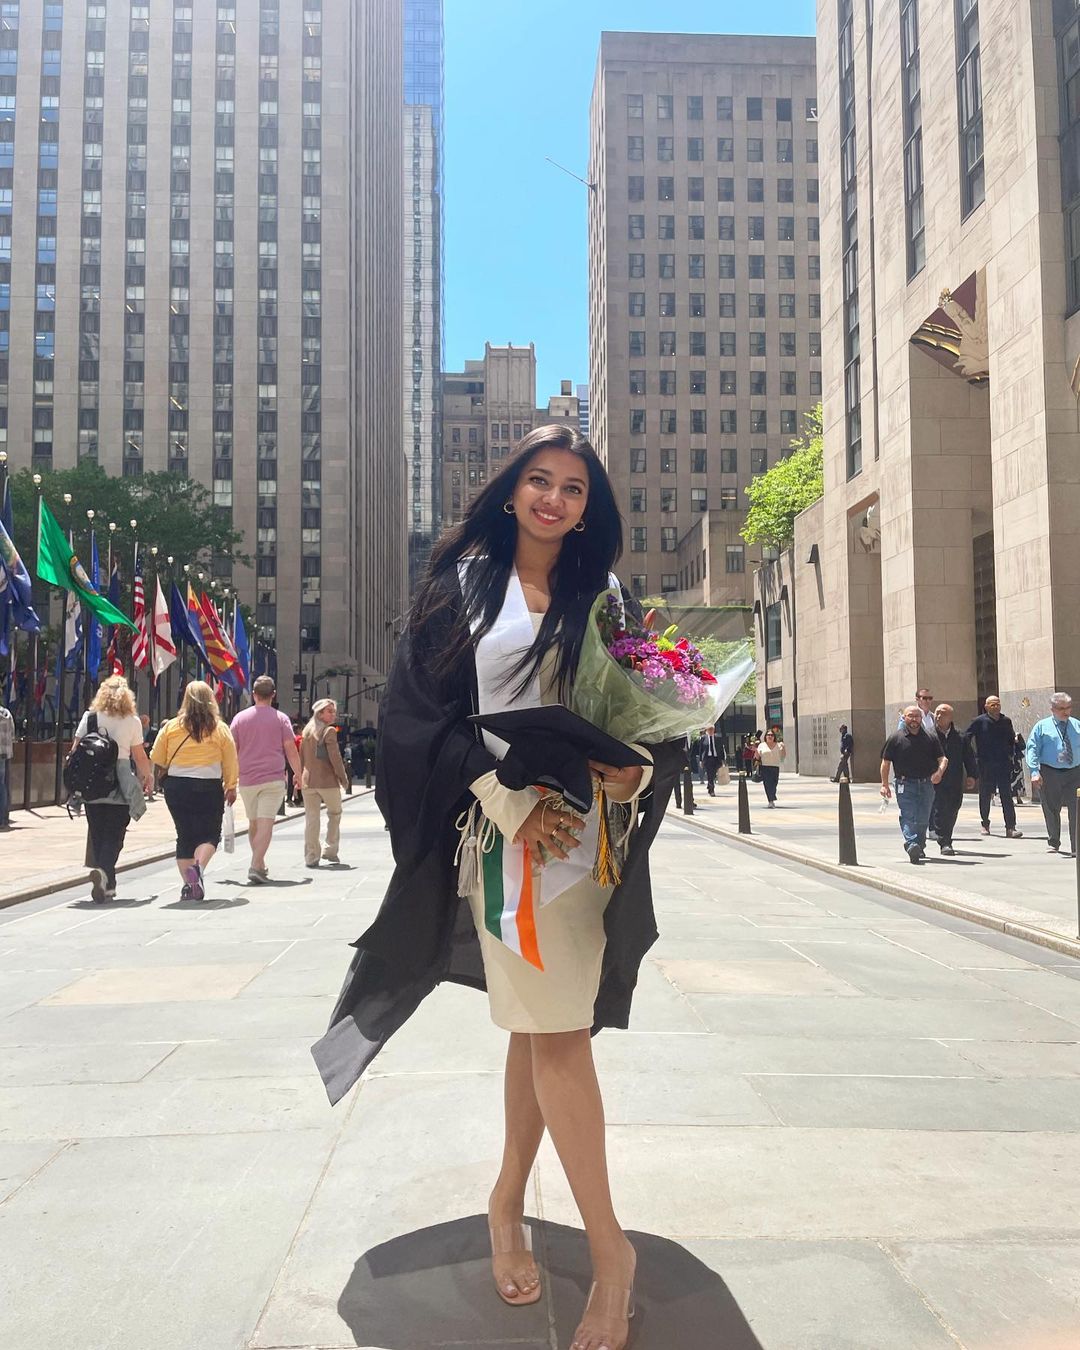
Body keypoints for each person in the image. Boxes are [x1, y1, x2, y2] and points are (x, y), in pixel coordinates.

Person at [312, 425, 682, 1350]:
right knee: (556, 1030)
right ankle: (611, 1252)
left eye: (573, 488)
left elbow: (650, 712)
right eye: (539, 481)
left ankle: (507, 1203)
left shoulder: (605, 598)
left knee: (540, 1025)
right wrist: (498, 792)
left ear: (588, 506)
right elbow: (414, 719)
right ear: (510, 491)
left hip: (586, 847)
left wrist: (636, 768)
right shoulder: (458, 591)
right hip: (502, 841)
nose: (555, 499)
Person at [151, 680, 238, 901]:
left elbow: (157, 757)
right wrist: (231, 786)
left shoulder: (171, 727)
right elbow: (230, 760)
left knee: (185, 835)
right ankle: (197, 869)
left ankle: (189, 885)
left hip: (177, 786)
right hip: (208, 786)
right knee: (209, 834)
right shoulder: (220, 728)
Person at [70, 676, 154, 901]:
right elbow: (139, 755)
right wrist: (148, 776)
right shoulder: (132, 721)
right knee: (115, 834)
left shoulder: (90, 718)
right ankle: (103, 872)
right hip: (120, 780)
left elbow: (76, 749)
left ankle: (108, 882)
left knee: (97, 831)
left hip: (92, 781)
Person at [230, 675, 303, 884]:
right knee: (266, 824)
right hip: (272, 777)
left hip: (246, 779)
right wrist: (298, 775)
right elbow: (291, 750)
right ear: (273, 695)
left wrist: (228, 777)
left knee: (254, 823)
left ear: (253, 694)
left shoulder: (239, 719)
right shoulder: (281, 719)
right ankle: (255, 864)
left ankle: (259, 864)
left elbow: (232, 750)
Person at [880, 705, 948, 863]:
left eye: (917, 716)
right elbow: (885, 762)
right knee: (908, 815)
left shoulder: (930, 738)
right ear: (904, 718)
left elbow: (943, 759)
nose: (914, 719)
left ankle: (919, 846)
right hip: (905, 784)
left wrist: (939, 772)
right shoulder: (896, 738)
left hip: (926, 784)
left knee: (923, 817)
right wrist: (884, 784)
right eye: (911, 716)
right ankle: (911, 844)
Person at [1025, 692, 1080, 857]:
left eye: (1068, 708)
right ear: (1052, 709)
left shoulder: (1077, 725)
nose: (1066, 712)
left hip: (1075, 772)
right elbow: (1032, 749)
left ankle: (1075, 846)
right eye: (1062, 708)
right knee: (1051, 807)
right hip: (1050, 771)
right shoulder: (1042, 727)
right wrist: (1034, 771)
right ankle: (1053, 841)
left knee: (1076, 810)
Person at [300, 698, 351, 866]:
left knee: (312, 818)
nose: (333, 714)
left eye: (334, 711)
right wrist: (343, 778)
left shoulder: (307, 731)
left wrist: (298, 775)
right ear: (320, 713)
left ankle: (311, 855)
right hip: (327, 781)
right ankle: (330, 850)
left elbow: (302, 757)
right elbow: (335, 758)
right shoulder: (329, 732)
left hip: (308, 781)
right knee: (335, 814)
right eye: (330, 711)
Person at [965, 695, 1023, 839]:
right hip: (986, 764)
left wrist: (1014, 745)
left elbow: (1011, 739)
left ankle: (1011, 827)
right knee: (985, 794)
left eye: (997, 704)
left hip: (1003, 764)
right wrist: (972, 755)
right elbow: (966, 737)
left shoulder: (1006, 721)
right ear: (986, 707)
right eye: (992, 705)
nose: (995, 707)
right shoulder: (979, 721)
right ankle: (985, 822)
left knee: (1006, 796)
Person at [931, 704, 977, 856]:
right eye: (937, 713)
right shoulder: (929, 735)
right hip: (935, 779)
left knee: (953, 808)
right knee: (938, 808)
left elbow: (968, 757)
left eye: (942, 714)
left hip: (955, 779)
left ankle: (945, 835)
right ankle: (945, 841)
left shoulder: (960, 736)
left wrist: (972, 775)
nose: (938, 716)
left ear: (950, 717)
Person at [753, 728, 786, 806]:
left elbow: (783, 756)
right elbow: (757, 757)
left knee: (774, 784)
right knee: (767, 784)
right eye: (768, 735)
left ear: (774, 737)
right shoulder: (762, 745)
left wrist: (783, 748)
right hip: (765, 768)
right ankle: (770, 801)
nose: (770, 736)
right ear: (765, 737)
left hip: (775, 767)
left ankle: (772, 797)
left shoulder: (778, 745)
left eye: (771, 735)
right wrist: (755, 750)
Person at [696, 725, 724, 795]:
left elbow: (721, 749)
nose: (711, 731)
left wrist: (723, 760)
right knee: (709, 774)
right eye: (709, 730)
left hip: (716, 758)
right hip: (707, 759)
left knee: (713, 775)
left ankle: (709, 786)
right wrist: (700, 761)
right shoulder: (703, 738)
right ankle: (712, 790)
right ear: (706, 731)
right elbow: (700, 750)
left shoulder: (718, 738)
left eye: (712, 730)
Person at [0, 701, 14, 828]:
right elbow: (12, 734)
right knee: (2, 786)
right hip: (4, 754)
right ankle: (3, 818)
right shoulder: (7, 714)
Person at [1011, 732, 1027, 804]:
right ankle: (1010, 798)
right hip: (1009, 761)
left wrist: (1017, 741)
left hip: (1017, 761)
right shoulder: (1004, 734)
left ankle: (1018, 797)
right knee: (1010, 780)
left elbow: (1023, 746)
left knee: (1018, 779)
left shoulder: (1017, 735)